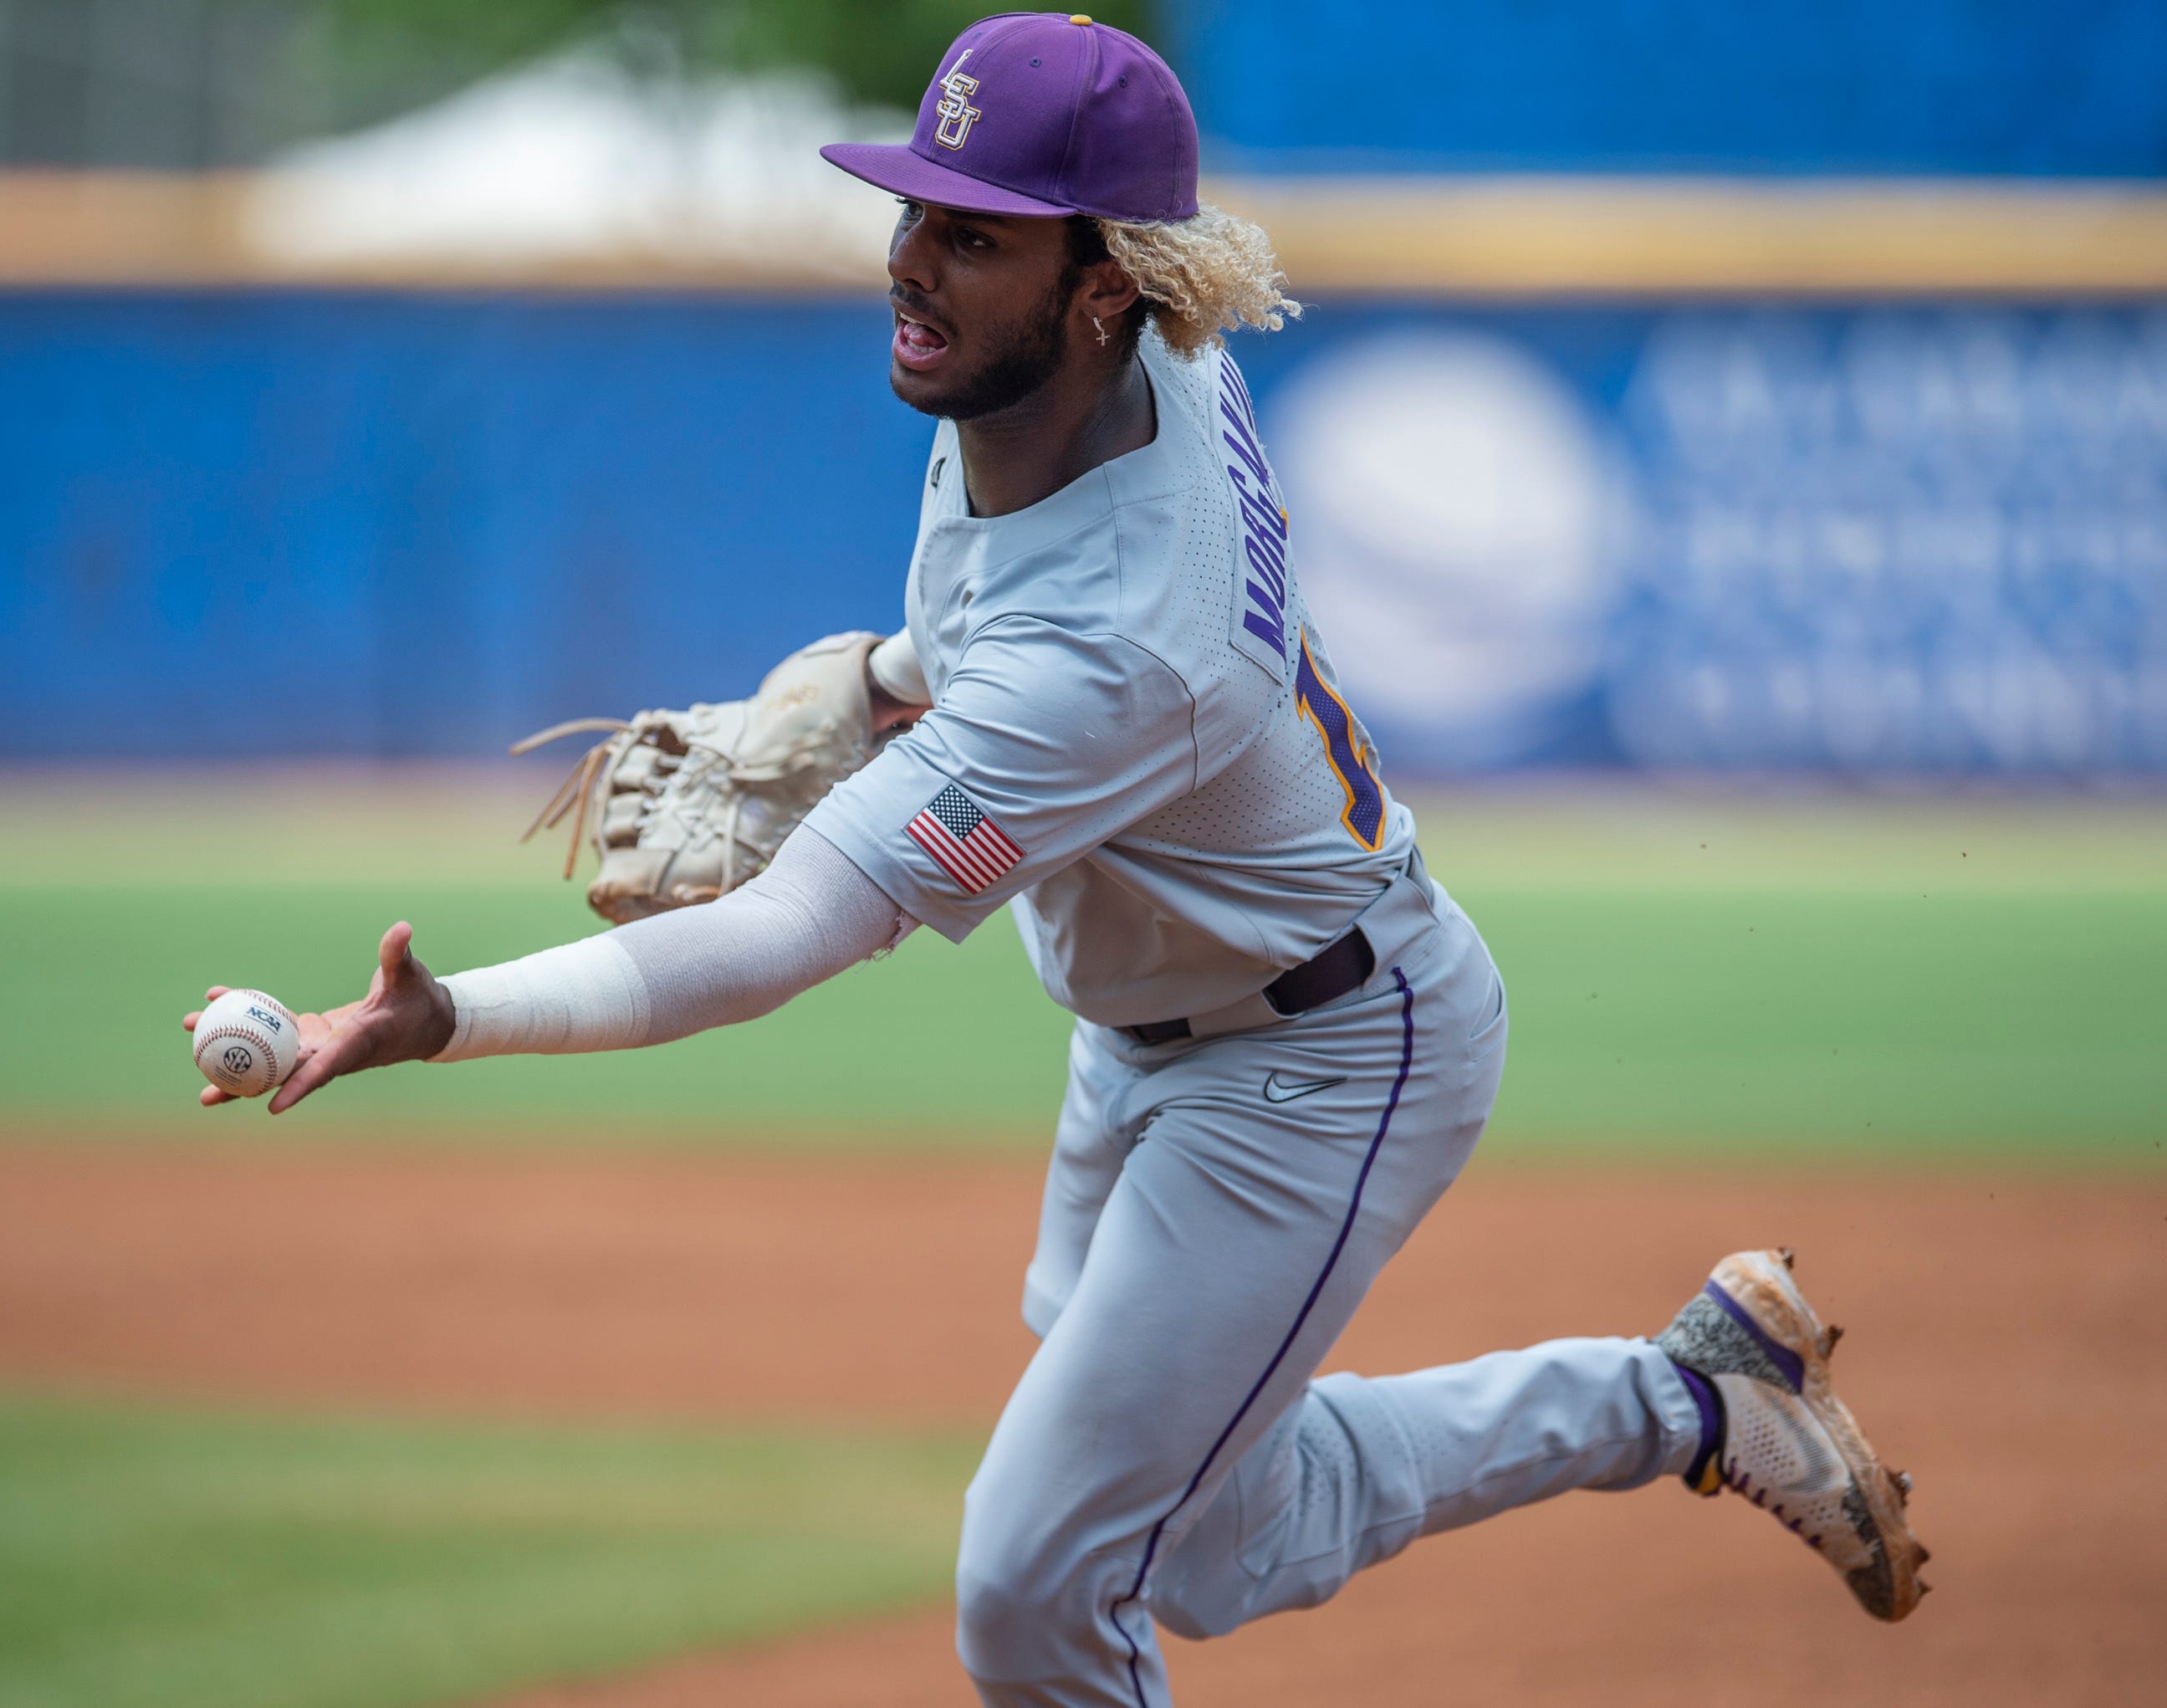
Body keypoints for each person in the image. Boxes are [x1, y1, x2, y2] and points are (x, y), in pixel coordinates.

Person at [185, 15, 1927, 1705]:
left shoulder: (1119, 652)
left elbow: (785, 931)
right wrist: (875, 687)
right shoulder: (1114, 358)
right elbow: (993, 627)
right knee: (1206, 1545)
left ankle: (1678, 1404)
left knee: (1034, 1581)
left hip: (1322, 1062)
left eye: (973, 236)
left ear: (1101, 288)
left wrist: (450, 1016)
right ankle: (1696, 1397)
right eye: (915, 211)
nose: (911, 262)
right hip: (1152, 1018)